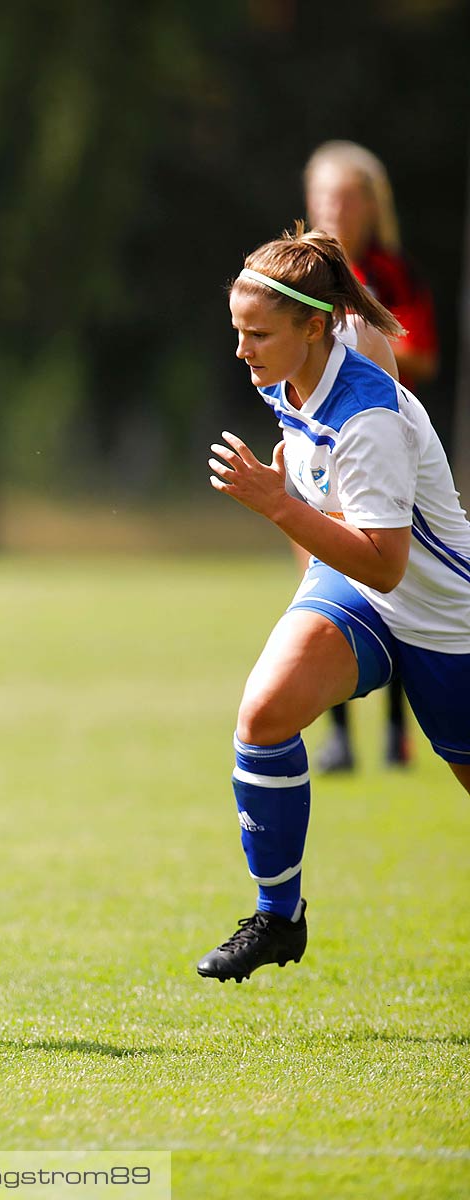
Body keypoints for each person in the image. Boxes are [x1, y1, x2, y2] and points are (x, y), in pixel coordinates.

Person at [199, 226, 470, 983]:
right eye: (237, 331)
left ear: (312, 330)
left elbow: (388, 564)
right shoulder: (287, 375)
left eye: (258, 334)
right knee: (263, 716)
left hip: (444, 613)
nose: (243, 350)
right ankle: (278, 917)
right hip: (354, 590)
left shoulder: (369, 419)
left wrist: (279, 503)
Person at [302, 141, 442, 772]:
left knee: (391, 582)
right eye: (325, 195)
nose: (335, 207)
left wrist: (360, 346)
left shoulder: (389, 273)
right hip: (319, 450)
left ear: (369, 205)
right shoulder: (300, 276)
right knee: (323, 579)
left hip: (382, 451)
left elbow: (421, 352)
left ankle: (395, 734)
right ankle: (339, 739)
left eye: (346, 196)